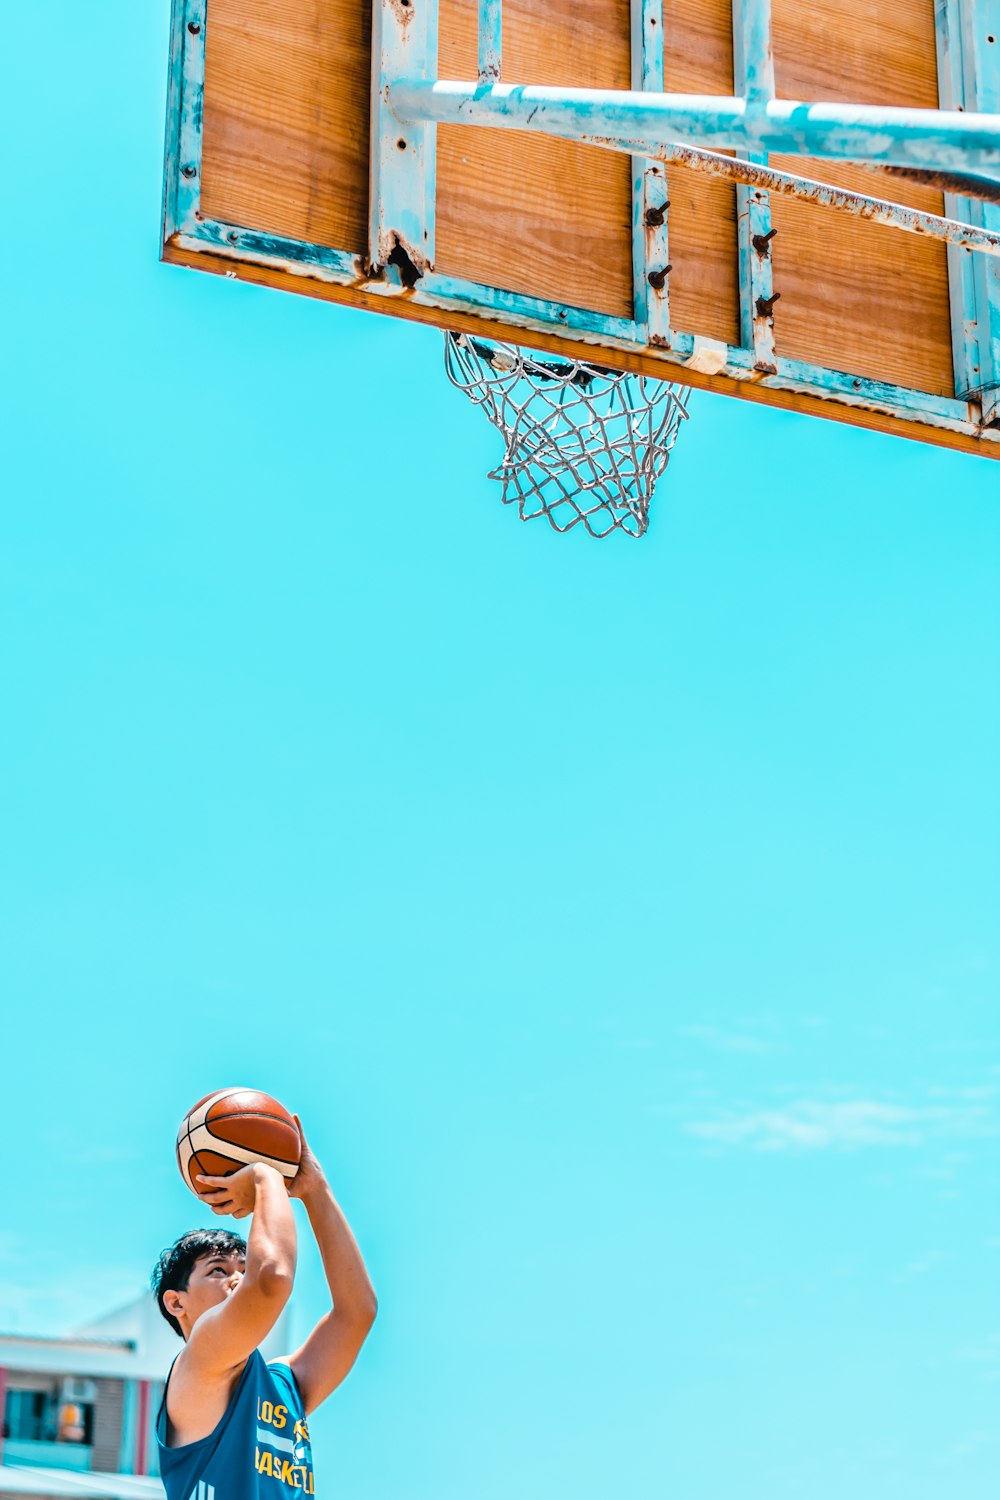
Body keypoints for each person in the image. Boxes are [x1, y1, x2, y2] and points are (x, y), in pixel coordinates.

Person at [150, 1119, 376, 1500]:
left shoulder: (284, 1385)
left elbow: (357, 1312)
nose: (238, 1279)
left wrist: (315, 1190)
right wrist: (263, 1175)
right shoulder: (199, 1361)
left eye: (243, 1267)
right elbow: (271, 1278)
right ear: (177, 1302)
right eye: (218, 1270)